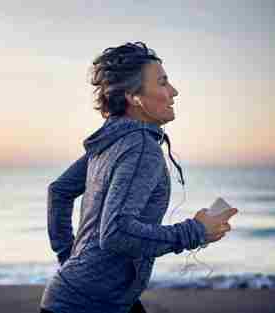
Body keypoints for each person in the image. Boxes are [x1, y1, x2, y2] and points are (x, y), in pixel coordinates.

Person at [39, 42, 238, 313]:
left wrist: (71, 260)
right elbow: (116, 232)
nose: (174, 91)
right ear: (134, 97)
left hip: (87, 296)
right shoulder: (141, 148)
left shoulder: (112, 141)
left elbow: (59, 191)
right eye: (163, 83)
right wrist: (196, 231)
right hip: (88, 305)